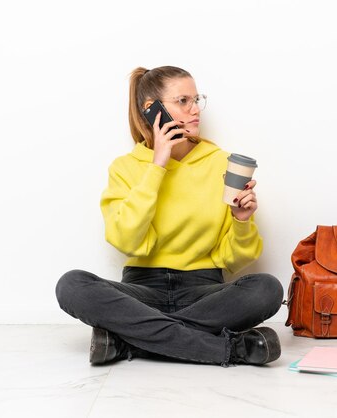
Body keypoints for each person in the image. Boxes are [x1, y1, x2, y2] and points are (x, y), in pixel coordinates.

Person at [55, 66, 283, 367]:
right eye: (183, 101)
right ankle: (231, 350)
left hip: (203, 291)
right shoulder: (126, 168)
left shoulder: (220, 164)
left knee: (267, 289)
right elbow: (126, 240)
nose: (195, 110)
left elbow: (233, 260)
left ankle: (127, 341)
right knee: (71, 285)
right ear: (153, 111)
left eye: (196, 99)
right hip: (142, 290)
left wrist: (241, 221)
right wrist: (157, 166)